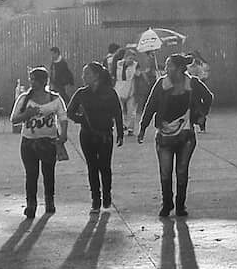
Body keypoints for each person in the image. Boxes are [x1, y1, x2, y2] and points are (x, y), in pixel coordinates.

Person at [138, 52, 200, 217]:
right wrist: (143, 127)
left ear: (179, 68)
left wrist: (200, 114)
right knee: (165, 171)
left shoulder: (192, 83)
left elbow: (208, 97)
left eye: (169, 66)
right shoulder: (161, 84)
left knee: (181, 171)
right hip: (164, 135)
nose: (166, 68)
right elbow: (150, 105)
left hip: (186, 135)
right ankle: (167, 204)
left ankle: (180, 205)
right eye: (166, 65)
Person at [66, 61, 126, 211]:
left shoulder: (109, 92)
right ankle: (95, 199)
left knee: (105, 167)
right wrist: (81, 119)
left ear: (97, 76)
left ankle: (107, 195)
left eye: (87, 73)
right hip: (87, 134)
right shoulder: (81, 93)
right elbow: (69, 112)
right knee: (92, 167)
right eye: (83, 73)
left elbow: (117, 113)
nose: (83, 76)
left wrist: (120, 132)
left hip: (105, 134)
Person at [10, 67, 68, 218]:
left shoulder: (54, 98)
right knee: (31, 174)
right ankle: (31, 204)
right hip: (28, 142)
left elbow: (63, 117)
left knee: (48, 174)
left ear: (44, 81)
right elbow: (14, 119)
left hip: (49, 142)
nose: (33, 83)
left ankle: (49, 201)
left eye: (35, 80)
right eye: (31, 80)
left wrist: (63, 135)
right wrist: (27, 114)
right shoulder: (24, 99)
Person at [186, 50, 214, 131]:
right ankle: (190, 125)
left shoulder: (198, 68)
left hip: (196, 90)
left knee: (197, 108)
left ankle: (202, 123)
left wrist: (204, 111)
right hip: (187, 94)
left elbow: (202, 78)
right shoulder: (185, 69)